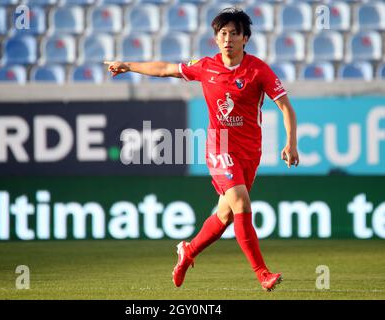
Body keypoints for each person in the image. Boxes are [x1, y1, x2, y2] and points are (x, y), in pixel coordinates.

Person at [105, 7, 299, 292]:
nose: (228, 38)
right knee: (242, 204)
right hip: (219, 148)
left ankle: (188, 251)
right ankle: (262, 274)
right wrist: (127, 65)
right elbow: (165, 69)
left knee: (225, 215)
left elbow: (285, 106)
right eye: (223, 33)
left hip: (249, 152)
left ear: (245, 38)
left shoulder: (258, 70)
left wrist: (291, 142)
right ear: (216, 38)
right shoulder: (205, 66)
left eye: (234, 33)